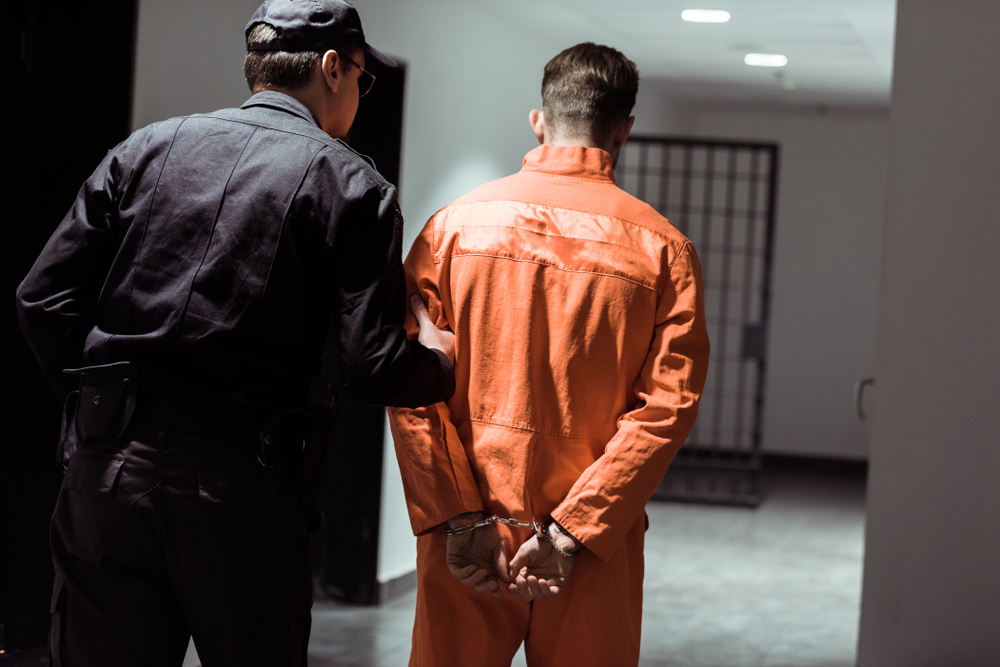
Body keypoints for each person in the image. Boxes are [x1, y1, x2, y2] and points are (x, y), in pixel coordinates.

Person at [15, 1, 455, 665]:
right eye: (363, 80)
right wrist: (438, 362)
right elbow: (372, 365)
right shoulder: (354, 187)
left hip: (107, 476)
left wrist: (108, 401)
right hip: (243, 489)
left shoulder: (146, 148)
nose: (361, 96)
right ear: (333, 68)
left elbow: (41, 296)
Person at [387, 43, 711, 667]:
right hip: (589, 544)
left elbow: (410, 389)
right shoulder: (664, 252)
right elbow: (668, 408)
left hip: (470, 531)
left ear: (539, 119)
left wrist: (457, 517)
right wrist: (570, 531)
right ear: (624, 132)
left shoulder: (452, 229)